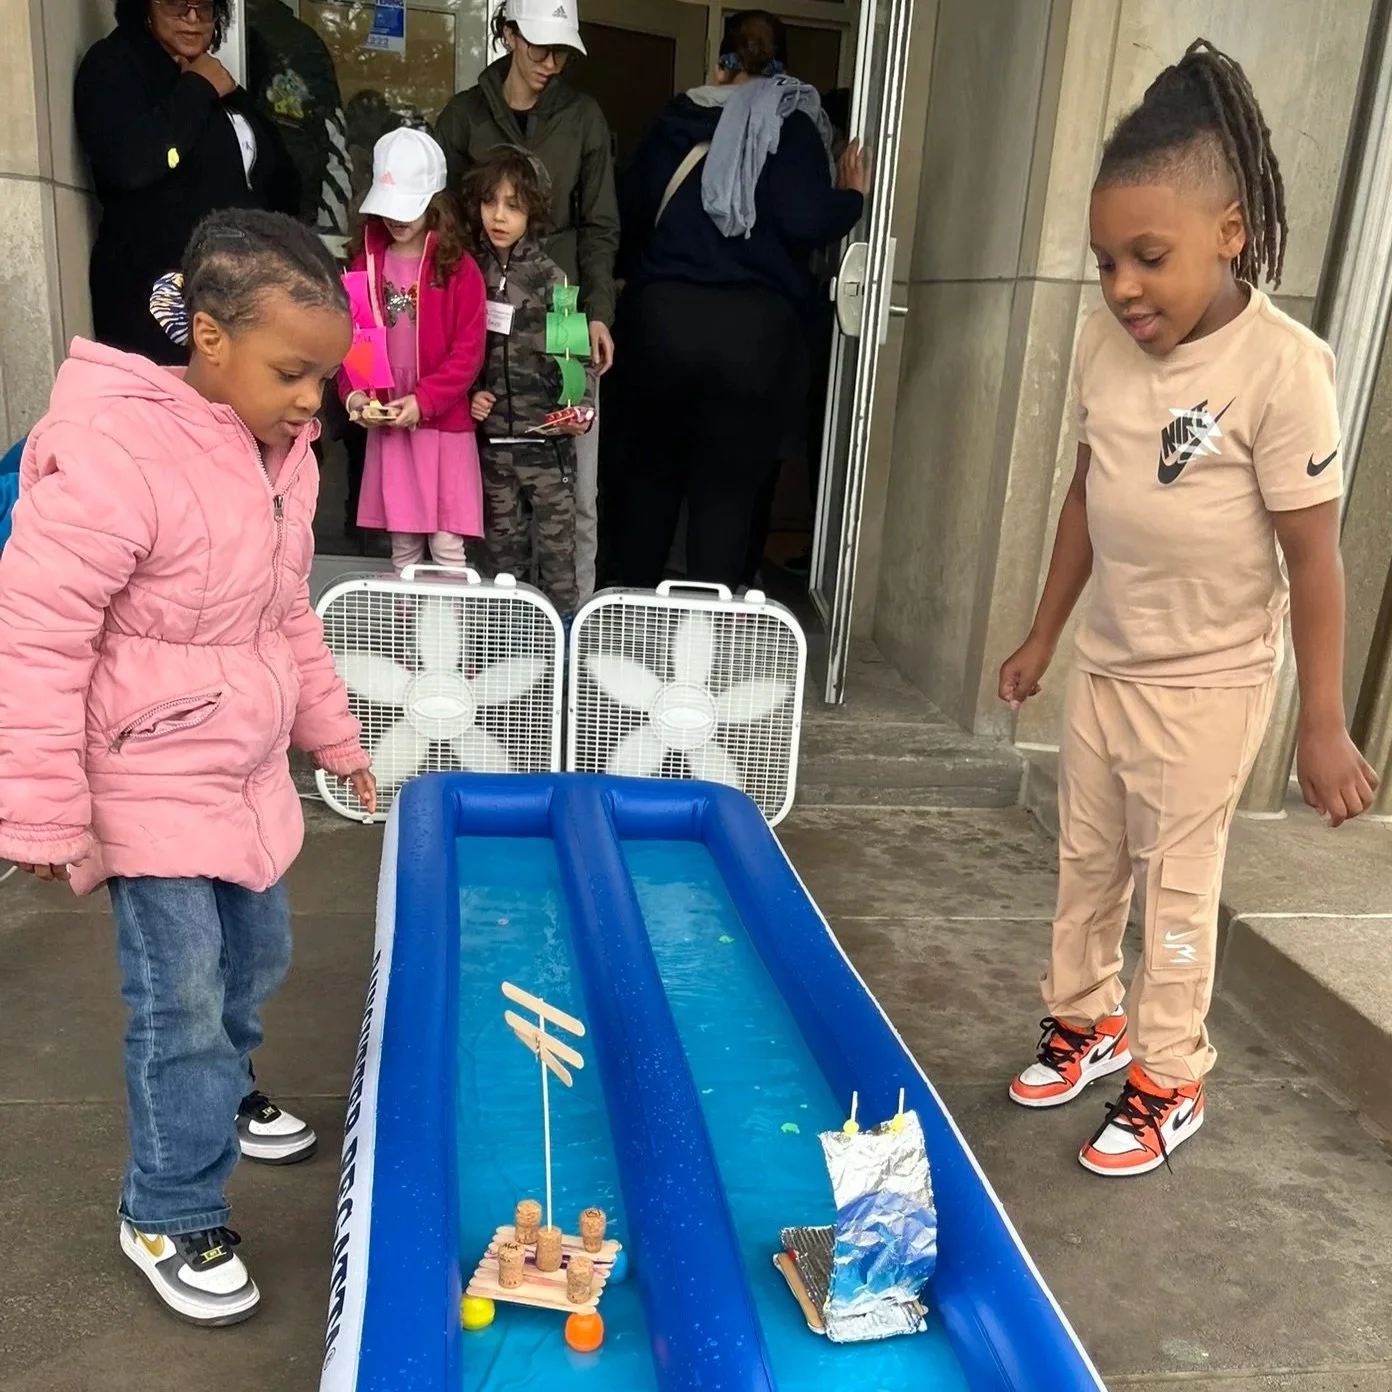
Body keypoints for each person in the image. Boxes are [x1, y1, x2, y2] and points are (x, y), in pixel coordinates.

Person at [999, 40, 1378, 1177]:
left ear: (1231, 230)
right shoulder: (1106, 350)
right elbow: (1085, 496)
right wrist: (1042, 633)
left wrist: (1322, 721)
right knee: (1085, 862)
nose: (1123, 287)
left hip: (1210, 684)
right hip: (1108, 669)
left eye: (1148, 258)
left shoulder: (1284, 367)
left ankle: (1170, 1076)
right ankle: (1089, 1021)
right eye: (1107, 260)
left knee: (1177, 886)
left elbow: (1315, 559)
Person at [0, 209, 377, 1323]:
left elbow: (286, 619)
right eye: (293, 372)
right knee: (183, 1001)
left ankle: (227, 1094)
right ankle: (166, 1203)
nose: (317, 400)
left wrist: (336, 738)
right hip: (147, 775)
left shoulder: (284, 459)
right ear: (208, 338)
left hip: (245, 773)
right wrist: (35, 809)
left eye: (326, 377)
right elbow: (37, 631)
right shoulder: (120, 451)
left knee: (255, 960)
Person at [613, 11, 868, 592]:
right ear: (784, 67)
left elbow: (628, 217)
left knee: (649, 483)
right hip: (751, 337)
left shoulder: (677, 119)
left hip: (663, 323)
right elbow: (807, 219)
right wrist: (851, 197)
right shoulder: (793, 125)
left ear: (720, 61)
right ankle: (701, 661)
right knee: (724, 496)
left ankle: (622, 637)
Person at [436, 0, 618, 603]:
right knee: (492, 506)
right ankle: (505, 637)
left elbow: (599, 225)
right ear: (509, 33)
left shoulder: (583, 116)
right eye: (540, 46)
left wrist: (598, 313)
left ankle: (570, 632)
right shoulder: (465, 115)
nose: (551, 62)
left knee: (577, 497)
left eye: (562, 50)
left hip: (562, 321)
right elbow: (445, 225)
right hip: (484, 321)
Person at [76, 0, 300, 365]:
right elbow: (131, 163)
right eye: (179, 4)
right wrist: (198, 87)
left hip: (235, 291)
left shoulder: (219, 86)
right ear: (146, 6)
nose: (193, 18)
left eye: (205, 7)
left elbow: (283, 187)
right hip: (155, 296)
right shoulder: (115, 64)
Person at [343, 128, 488, 574]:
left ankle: (447, 643)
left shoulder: (460, 269)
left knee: (447, 549)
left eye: (408, 207)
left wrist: (425, 400)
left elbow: (468, 352)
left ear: (435, 203)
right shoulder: (364, 261)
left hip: (443, 424)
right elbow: (350, 338)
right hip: (388, 420)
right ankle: (406, 641)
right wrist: (355, 394)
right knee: (403, 548)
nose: (397, 219)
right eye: (389, 208)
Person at [467, 147, 593, 616]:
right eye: (490, 202)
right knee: (503, 563)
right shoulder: (465, 273)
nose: (498, 216)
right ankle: (509, 660)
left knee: (559, 561)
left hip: (547, 446)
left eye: (513, 205)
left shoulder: (550, 278)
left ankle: (560, 660)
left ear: (533, 211)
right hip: (493, 447)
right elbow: (456, 351)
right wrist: (467, 395)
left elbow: (575, 359)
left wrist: (579, 407)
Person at [245, 0, 353, 239]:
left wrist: (331, 236)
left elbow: (331, 137)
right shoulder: (225, 33)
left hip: (297, 213)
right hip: (263, 215)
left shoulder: (300, 43)